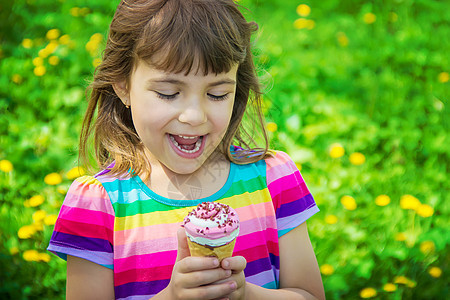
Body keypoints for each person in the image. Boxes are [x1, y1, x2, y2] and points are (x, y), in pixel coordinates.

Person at [47, 0, 325, 299]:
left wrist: (246, 294)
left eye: (217, 94)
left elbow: (309, 294)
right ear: (123, 85)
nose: (194, 116)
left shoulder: (274, 180)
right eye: (169, 93)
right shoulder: (96, 206)